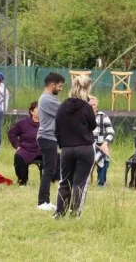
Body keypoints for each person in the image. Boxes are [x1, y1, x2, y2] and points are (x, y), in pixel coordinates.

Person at [53, 75, 97, 219]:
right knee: (80, 183)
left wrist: (62, 145)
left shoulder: (62, 106)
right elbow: (93, 125)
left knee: (64, 181)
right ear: (86, 90)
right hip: (85, 149)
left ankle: (59, 212)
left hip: (67, 149)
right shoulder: (86, 107)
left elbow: (57, 129)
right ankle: (75, 212)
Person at [36, 72, 64, 211]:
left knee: (50, 169)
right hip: (47, 137)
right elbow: (65, 112)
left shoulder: (47, 98)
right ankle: (42, 202)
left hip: (49, 138)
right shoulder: (48, 99)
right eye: (60, 86)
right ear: (52, 84)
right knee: (48, 171)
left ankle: (46, 200)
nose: (61, 89)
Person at [8, 102, 43, 186]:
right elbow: (11, 133)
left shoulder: (47, 123)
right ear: (31, 111)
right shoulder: (23, 123)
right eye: (38, 109)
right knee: (19, 156)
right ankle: (22, 180)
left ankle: (52, 181)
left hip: (42, 149)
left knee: (56, 156)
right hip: (27, 149)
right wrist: (17, 146)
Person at [89, 96, 115, 187]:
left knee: (104, 154)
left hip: (101, 145)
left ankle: (101, 182)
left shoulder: (103, 116)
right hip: (87, 146)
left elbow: (111, 132)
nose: (92, 107)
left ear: (97, 105)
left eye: (94, 105)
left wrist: (105, 143)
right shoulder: (83, 117)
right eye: (90, 105)